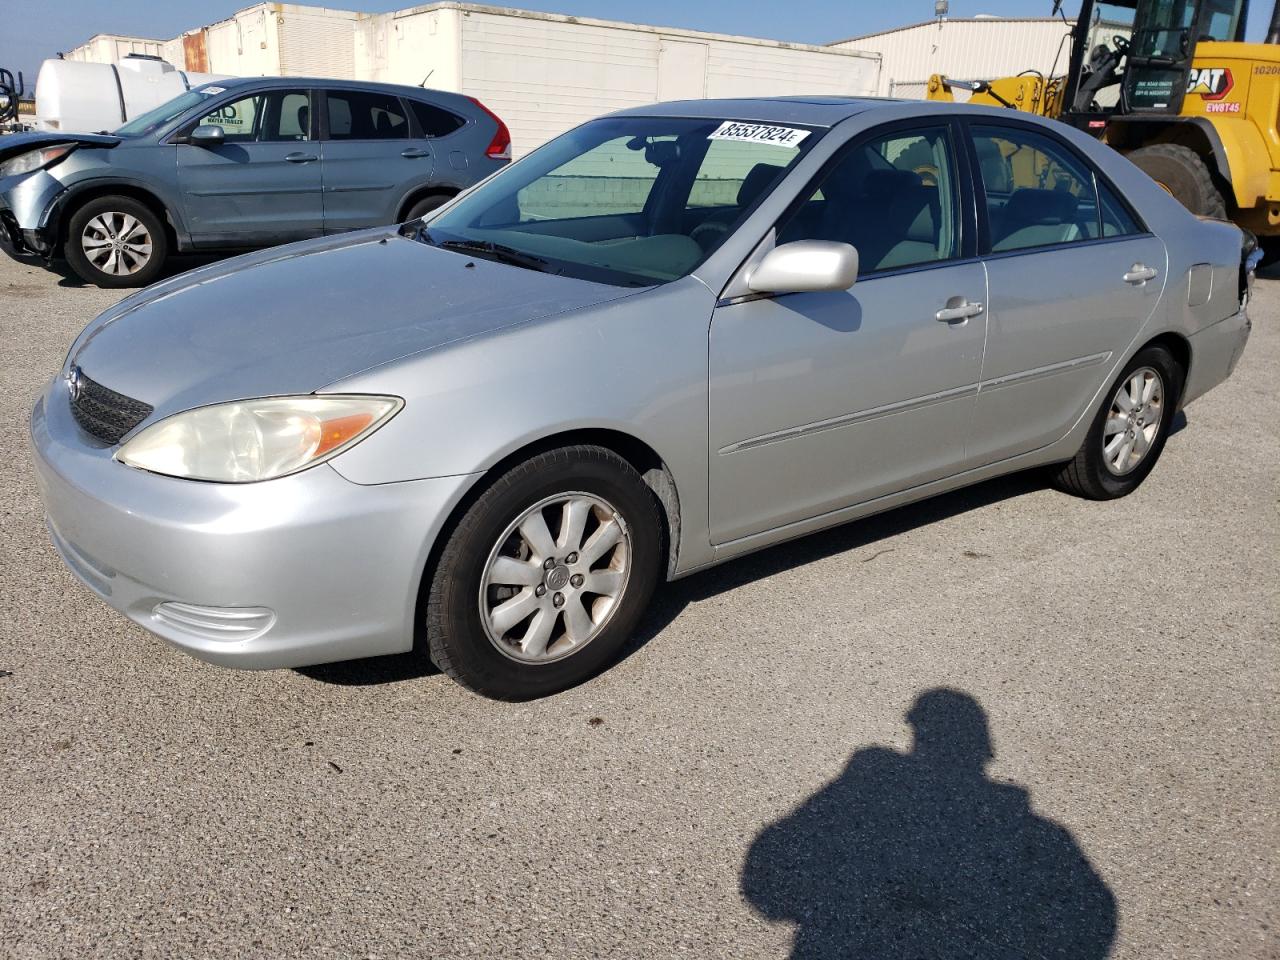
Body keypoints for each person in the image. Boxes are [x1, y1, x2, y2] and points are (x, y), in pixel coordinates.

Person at [742, 688, 1116, 959]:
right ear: (985, 746)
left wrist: (811, 912)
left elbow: (768, 869)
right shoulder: (1044, 836)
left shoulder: (867, 775)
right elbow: (1091, 920)